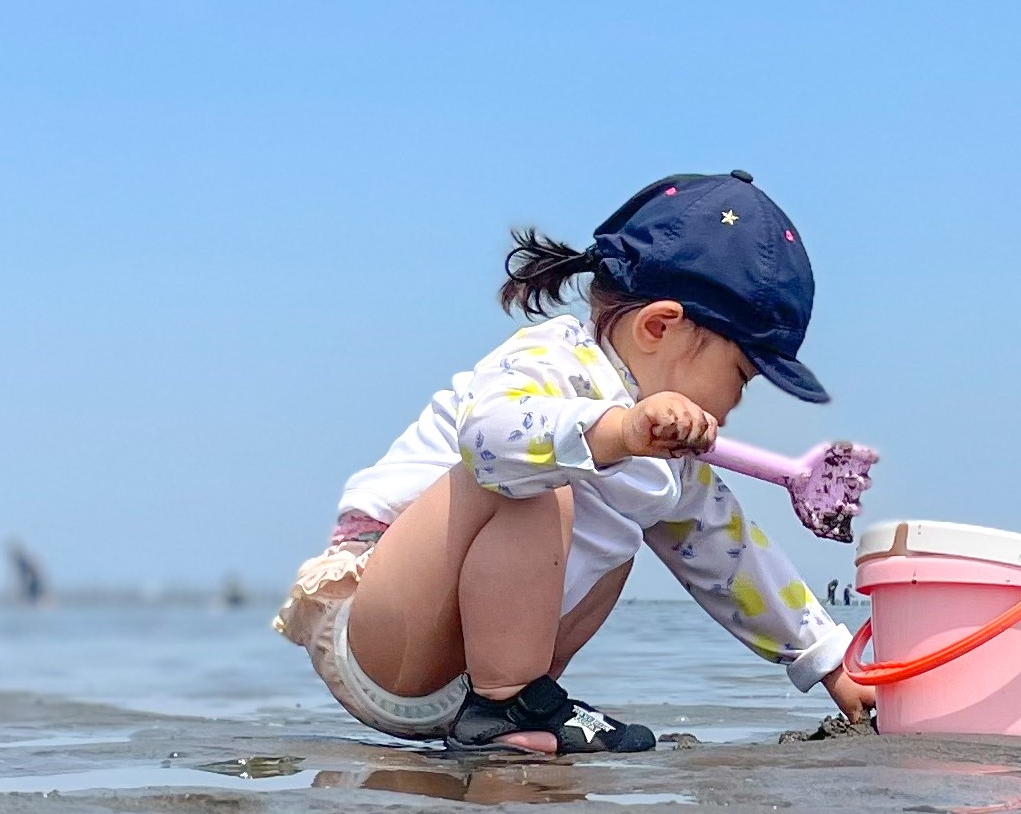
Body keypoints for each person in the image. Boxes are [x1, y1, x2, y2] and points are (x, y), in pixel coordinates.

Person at [273, 171, 874, 754]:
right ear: (658, 326)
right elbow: (487, 441)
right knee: (536, 476)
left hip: (459, 675)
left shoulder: (669, 459)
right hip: (385, 619)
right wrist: (617, 431)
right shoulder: (555, 360)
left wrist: (829, 665)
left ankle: (521, 703)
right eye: (740, 377)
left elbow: (730, 555)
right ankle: (508, 704)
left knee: (638, 526)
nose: (736, 404)